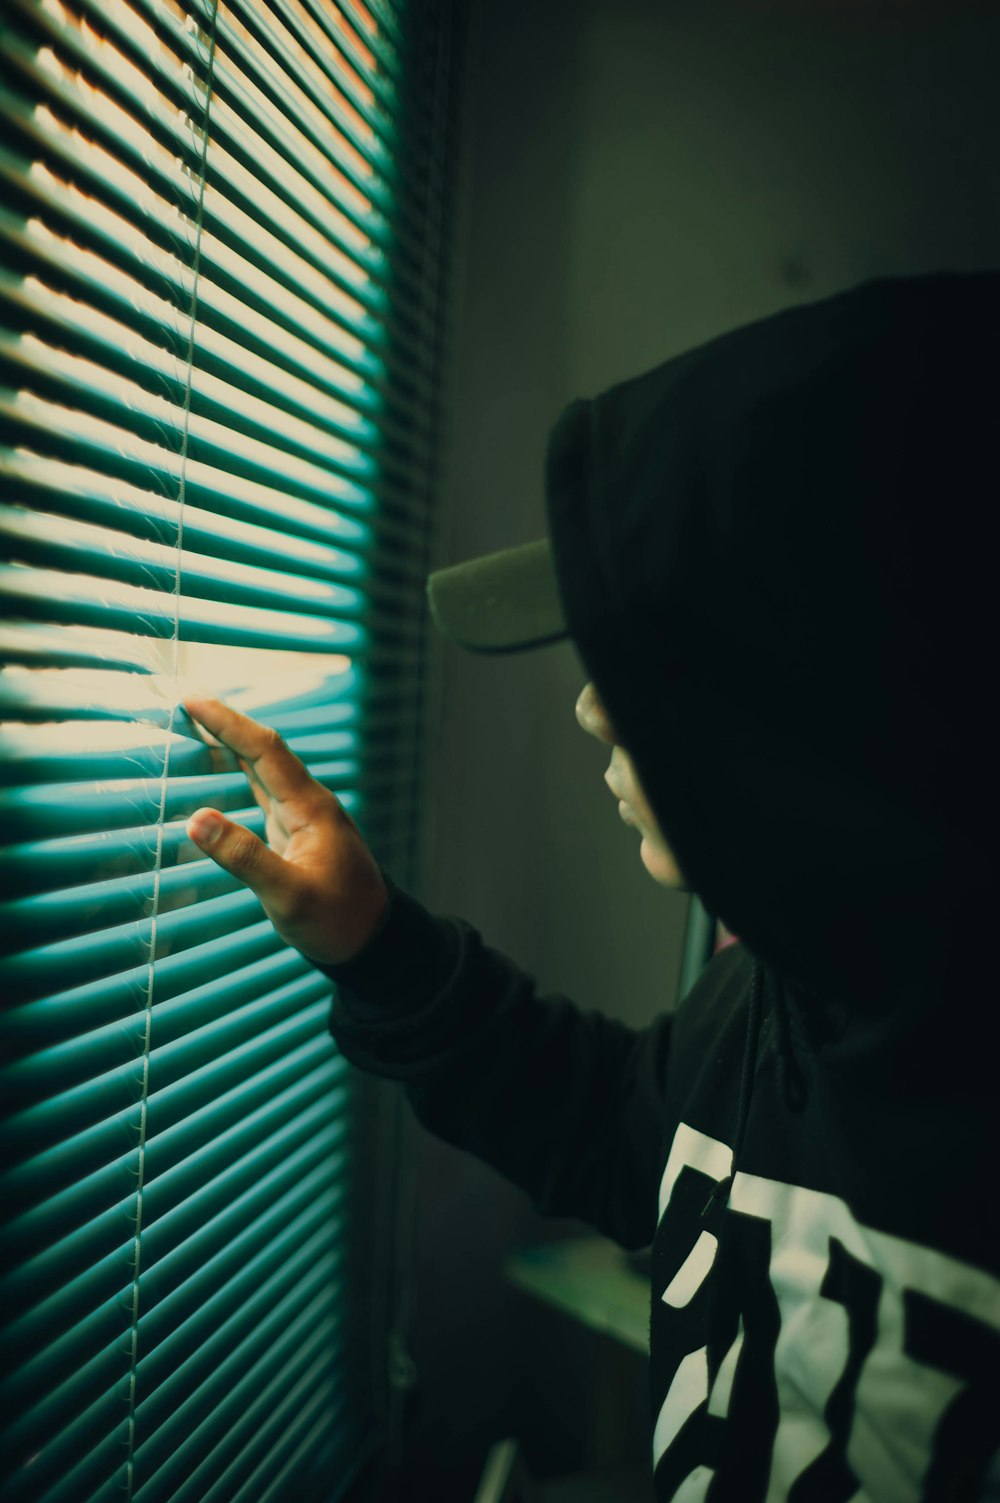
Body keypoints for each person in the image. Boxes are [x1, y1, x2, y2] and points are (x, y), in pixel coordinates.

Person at [184, 271, 1000, 1501]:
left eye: (662, 654)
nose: (588, 702)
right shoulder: (764, 1003)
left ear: (834, 689)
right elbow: (622, 1132)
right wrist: (374, 941)